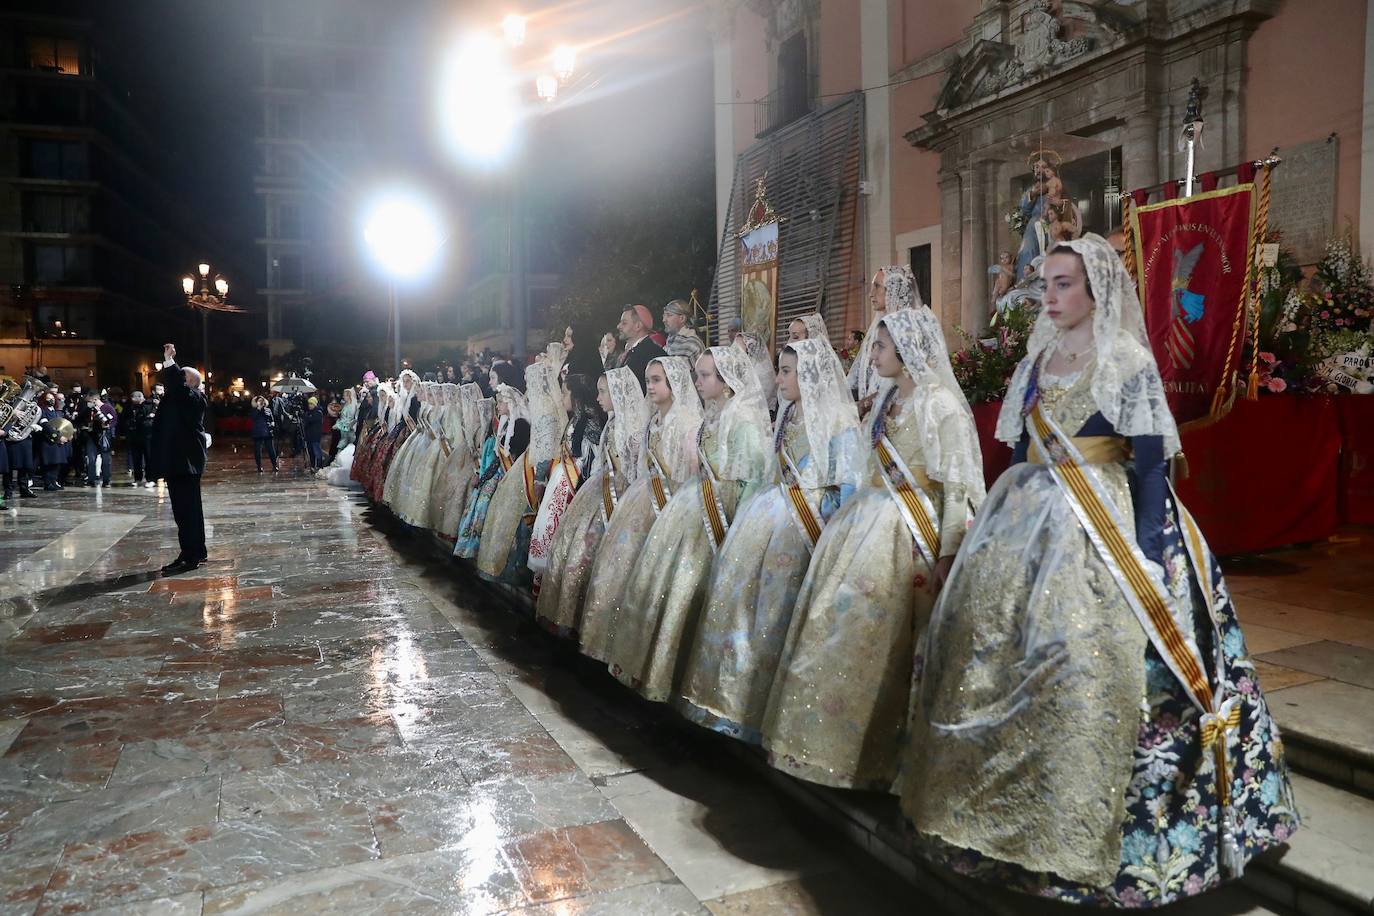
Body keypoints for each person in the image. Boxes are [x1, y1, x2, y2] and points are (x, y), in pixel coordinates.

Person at [902, 235, 1298, 905]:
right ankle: (996, 817)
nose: (1049, 297)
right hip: (1023, 523)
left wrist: (1147, 551)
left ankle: (1114, 829)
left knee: (1082, 659)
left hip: (1106, 526)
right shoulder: (1036, 359)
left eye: (1063, 285)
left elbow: (1148, 467)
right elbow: (1018, 453)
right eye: (1046, 284)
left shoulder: (1126, 362)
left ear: (1097, 292)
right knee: (993, 650)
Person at [761, 306, 984, 790]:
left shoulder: (940, 404)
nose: (873, 354)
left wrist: (949, 551)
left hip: (914, 533)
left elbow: (958, 487)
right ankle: (839, 747)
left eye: (880, 346)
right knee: (843, 628)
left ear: (906, 351)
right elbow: (863, 468)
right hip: (869, 522)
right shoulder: (885, 401)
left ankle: (901, 762)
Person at [677, 337, 863, 744]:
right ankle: (737, 702)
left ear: (808, 375)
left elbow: (848, 482)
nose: (777, 379)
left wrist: (831, 529)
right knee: (748, 606)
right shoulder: (790, 414)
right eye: (779, 369)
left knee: (776, 611)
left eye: (786, 371)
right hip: (775, 515)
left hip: (807, 521)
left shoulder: (837, 420)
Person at [606, 346, 770, 702]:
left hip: (720, 513)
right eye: (697, 375)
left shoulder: (741, 421)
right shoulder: (711, 418)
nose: (698, 382)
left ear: (726, 382)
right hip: (694, 508)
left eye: (705, 375)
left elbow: (751, 480)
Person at [579, 356, 701, 662]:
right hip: (643, 499)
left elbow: (686, 474)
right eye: (648, 380)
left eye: (657, 380)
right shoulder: (653, 420)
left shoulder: (686, 421)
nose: (651, 386)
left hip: (669, 506)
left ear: (674, 383)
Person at [534, 365, 647, 639]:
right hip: (597, 486)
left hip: (617, 493)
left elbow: (631, 467)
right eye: (597, 392)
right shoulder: (610, 422)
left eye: (603, 392)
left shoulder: (627, 427)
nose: (598, 398)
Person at [527, 344, 607, 581]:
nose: (561, 398)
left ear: (577, 395)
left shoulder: (590, 422)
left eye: (564, 393)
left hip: (576, 485)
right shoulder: (577, 419)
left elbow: (593, 459)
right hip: (563, 479)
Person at [148, 343, 209, 574]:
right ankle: (196, 552)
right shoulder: (183, 398)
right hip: (181, 463)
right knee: (188, 511)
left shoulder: (193, 396)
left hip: (185, 463)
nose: (176, 380)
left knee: (186, 512)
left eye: (182, 377)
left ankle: (190, 556)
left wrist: (169, 361)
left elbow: (177, 386)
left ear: (190, 383)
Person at [847, 265, 920, 417]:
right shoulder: (878, 327)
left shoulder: (907, 330)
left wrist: (866, 404)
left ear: (893, 290)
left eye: (877, 287)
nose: (870, 294)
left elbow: (907, 380)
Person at [614, 304, 668, 393]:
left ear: (638, 326)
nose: (618, 326)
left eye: (624, 323)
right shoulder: (635, 351)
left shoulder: (652, 354)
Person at [79, 391, 117, 487]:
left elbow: (114, 419)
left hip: (104, 435)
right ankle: (91, 479)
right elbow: (80, 419)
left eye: (89, 401)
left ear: (95, 400)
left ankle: (106, 480)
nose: (88, 403)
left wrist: (108, 426)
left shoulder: (107, 407)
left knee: (105, 459)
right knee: (91, 458)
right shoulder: (88, 409)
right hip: (91, 435)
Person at [662, 299, 705, 364]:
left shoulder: (691, 343)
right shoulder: (671, 341)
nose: (664, 320)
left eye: (669, 315)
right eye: (664, 316)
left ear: (682, 318)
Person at [250, 395, 279, 473]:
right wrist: (258, 409)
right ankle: (259, 466)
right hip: (258, 432)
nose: (260, 402)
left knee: (271, 450)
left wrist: (272, 424)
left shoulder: (268, 410)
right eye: (259, 401)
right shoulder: (254, 410)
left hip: (267, 432)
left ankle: (274, 465)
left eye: (262, 401)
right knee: (257, 450)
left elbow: (272, 419)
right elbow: (253, 417)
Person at [301, 396, 325, 472]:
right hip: (309, 436)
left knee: (317, 451)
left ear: (315, 404)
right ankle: (312, 466)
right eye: (309, 404)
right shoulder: (309, 413)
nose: (310, 405)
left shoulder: (318, 412)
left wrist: (305, 416)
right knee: (311, 452)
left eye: (311, 404)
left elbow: (310, 420)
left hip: (315, 436)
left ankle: (319, 465)